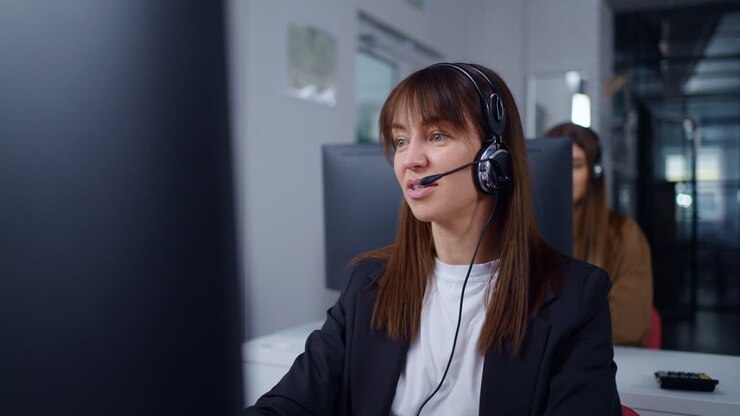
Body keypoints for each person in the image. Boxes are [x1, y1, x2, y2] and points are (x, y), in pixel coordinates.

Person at [246, 63, 621, 415]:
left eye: (437, 135)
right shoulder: (368, 286)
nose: (410, 159)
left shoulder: (574, 297)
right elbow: (289, 403)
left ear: (494, 160)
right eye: (400, 140)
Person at [544, 122, 653, 347]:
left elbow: (630, 321)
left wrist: (546, 318)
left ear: (594, 175)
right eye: (555, 163)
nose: (563, 174)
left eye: (574, 165)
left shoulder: (623, 233)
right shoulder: (519, 233)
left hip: (608, 360)